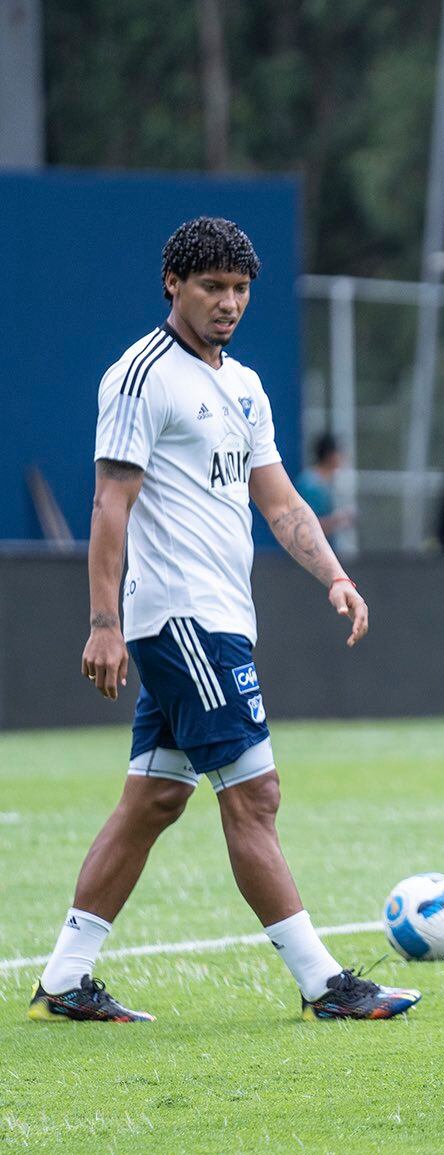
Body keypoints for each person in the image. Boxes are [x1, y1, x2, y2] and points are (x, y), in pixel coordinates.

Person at [29, 216, 420, 1024]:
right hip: (180, 619)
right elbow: (110, 503)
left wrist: (335, 576)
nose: (228, 302)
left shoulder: (242, 384)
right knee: (255, 793)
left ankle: (64, 981)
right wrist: (103, 621)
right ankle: (323, 986)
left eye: (240, 289)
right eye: (212, 287)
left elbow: (279, 502)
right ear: (173, 284)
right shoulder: (140, 377)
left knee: (155, 801)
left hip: (219, 618)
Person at [296, 431, 357, 551]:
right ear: (330, 456)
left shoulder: (332, 481)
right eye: (339, 452)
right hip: (308, 552)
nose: (343, 457)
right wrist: (339, 519)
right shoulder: (311, 484)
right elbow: (305, 526)